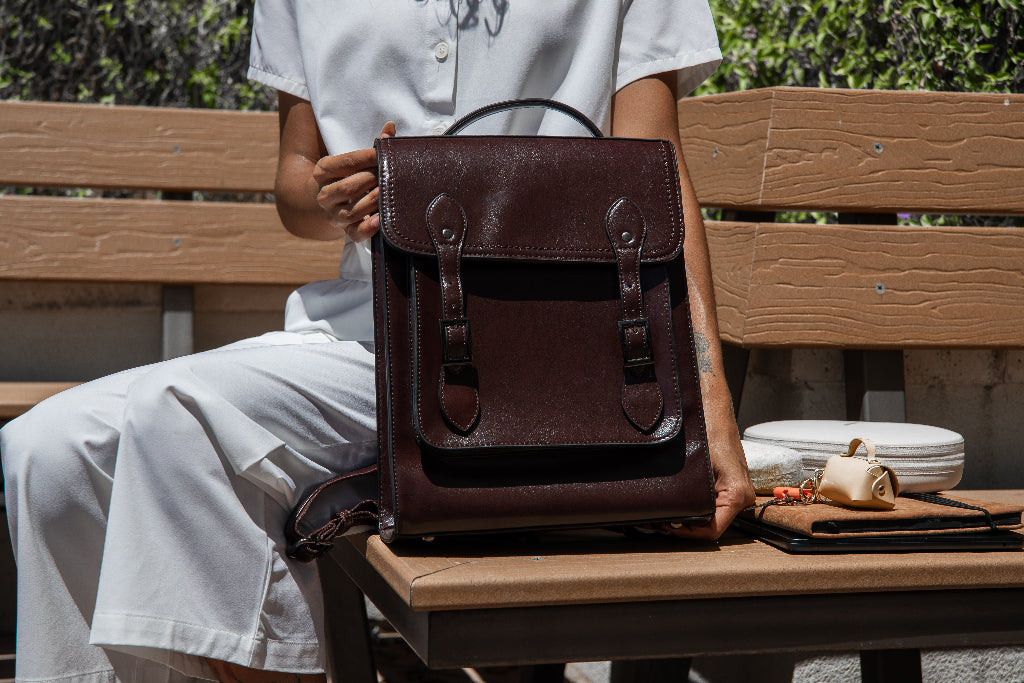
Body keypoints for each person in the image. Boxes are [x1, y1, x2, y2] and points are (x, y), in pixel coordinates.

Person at [0, 1, 754, 681]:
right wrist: (345, 192)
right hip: (367, 330)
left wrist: (710, 403)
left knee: (177, 416)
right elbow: (295, 183)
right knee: (46, 451)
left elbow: (655, 172)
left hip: (552, 344)